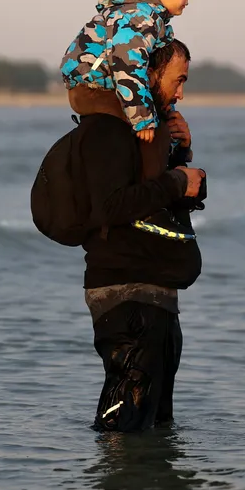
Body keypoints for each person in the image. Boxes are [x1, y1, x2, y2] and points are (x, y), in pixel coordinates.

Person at [73, 39, 206, 432]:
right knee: (125, 421)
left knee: (156, 422)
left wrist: (181, 153)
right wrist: (177, 181)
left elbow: (162, 203)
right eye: (177, 81)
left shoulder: (155, 132)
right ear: (147, 72)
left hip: (158, 292)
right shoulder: (108, 129)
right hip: (125, 293)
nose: (181, 93)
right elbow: (111, 207)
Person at [59, 0, 194, 149]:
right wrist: (143, 119)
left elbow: (155, 76)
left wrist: (167, 112)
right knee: (150, 132)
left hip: (106, 86)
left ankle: (173, 153)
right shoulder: (137, 17)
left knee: (158, 124)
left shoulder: (152, 20)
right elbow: (128, 66)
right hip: (92, 88)